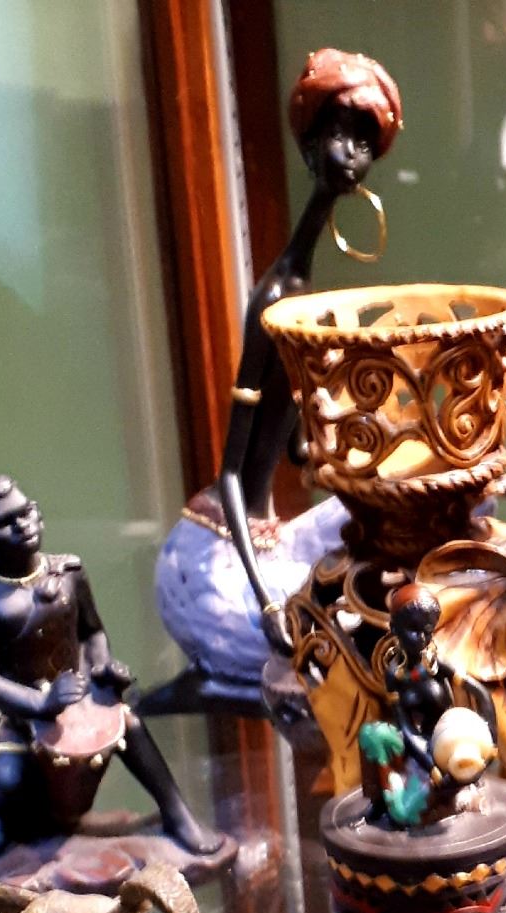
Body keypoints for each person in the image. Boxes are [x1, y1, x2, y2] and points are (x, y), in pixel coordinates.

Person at [150, 50, 403, 710]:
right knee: (337, 630)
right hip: (214, 556)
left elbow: (291, 445)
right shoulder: (276, 297)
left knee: (403, 519)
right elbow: (233, 472)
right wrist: (266, 599)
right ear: (311, 145)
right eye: (340, 135)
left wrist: (348, 443)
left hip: (267, 535)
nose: (351, 155)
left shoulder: (302, 292)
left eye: (364, 142)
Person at [0, 475, 224, 859]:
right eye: (6, 522)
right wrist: (40, 704)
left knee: (131, 726)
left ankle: (177, 813)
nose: (23, 525)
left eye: (26, 511)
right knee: (9, 780)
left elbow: (92, 632)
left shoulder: (69, 573)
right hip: (12, 708)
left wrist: (102, 667)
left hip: (75, 690)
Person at [357, 584, 495, 828]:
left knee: (406, 813)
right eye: (413, 630)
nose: (422, 639)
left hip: (445, 745)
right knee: (371, 734)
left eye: (428, 631)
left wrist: (490, 740)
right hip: (415, 746)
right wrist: (428, 764)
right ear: (394, 629)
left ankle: (447, 794)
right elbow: (405, 725)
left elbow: (480, 694)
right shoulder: (395, 676)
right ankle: (379, 798)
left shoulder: (437, 666)